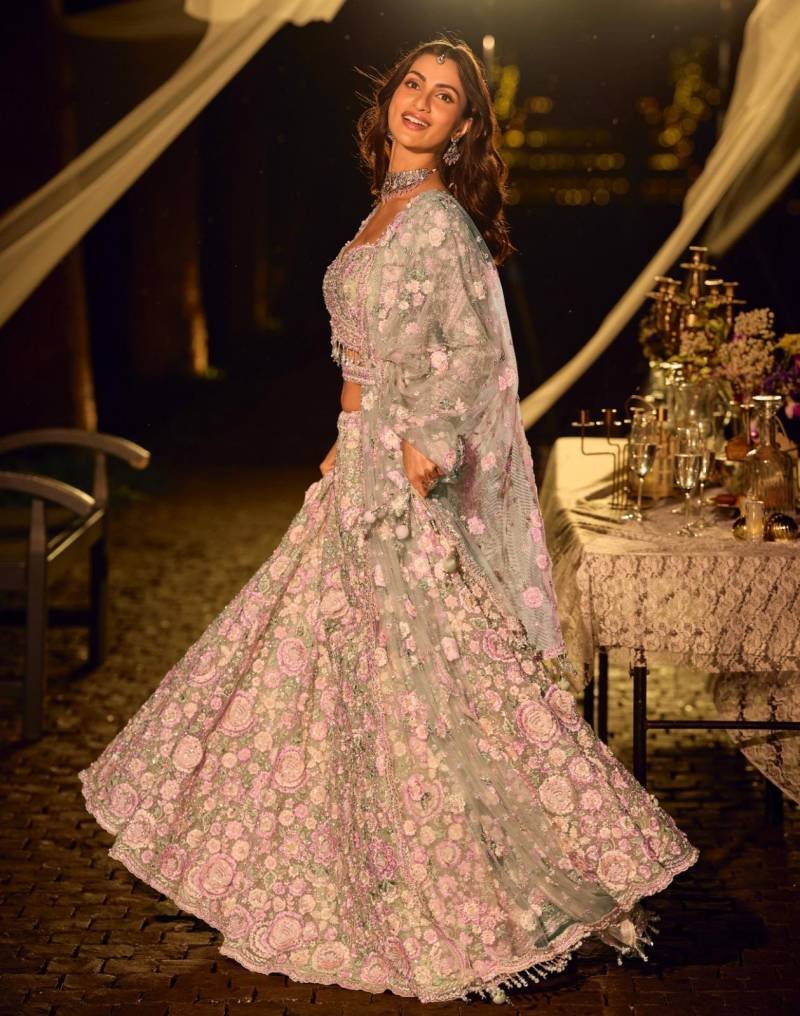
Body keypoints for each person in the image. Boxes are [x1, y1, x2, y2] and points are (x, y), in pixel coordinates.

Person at [80, 37, 699, 1005]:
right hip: (356, 469)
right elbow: (366, 351)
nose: (420, 101)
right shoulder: (383, 209)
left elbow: (475, 355)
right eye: (413, 84)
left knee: (441, 686)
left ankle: (487, 882)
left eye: (443, 96)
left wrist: (431, 439)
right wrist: (348, 431)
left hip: (402, 487)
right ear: (393, 100)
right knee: (322, 676)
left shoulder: (440, 220)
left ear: (462, 127)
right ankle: (350, 869)